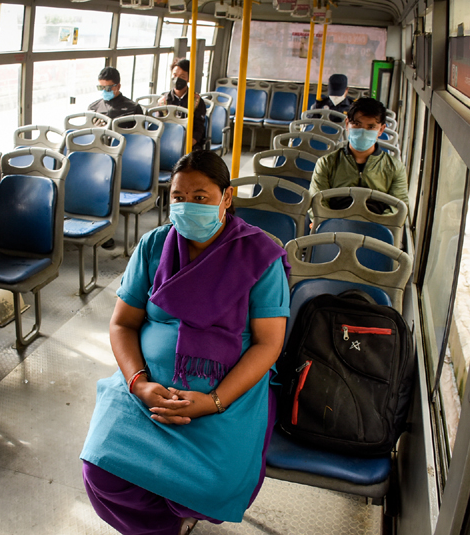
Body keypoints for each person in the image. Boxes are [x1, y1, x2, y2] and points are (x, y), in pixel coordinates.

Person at [81, 150, 290, 535]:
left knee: (208, 485)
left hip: (226, 394)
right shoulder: (154, 246)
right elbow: (123, 324)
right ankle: (161, 528)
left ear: (226, 198)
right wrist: (139, 384)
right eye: (178, 197)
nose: (187, 206)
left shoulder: (260, 257)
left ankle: (173, 515)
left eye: (201, 197)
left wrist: (213, 401)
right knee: (101, 467)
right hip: (149, 384)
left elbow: (267, 345)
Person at [309, 97, 409, 218]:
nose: (363, 132)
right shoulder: (327, 163)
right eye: (357, 124)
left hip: (376, 227)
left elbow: (398, 208)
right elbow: (318, 204)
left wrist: (379, 225)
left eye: (371, 127)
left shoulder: (395, 168)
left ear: (381, 129)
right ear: (347, 124)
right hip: (334, 226)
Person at [87, 66, 142, 249]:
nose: (105, 92)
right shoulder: (94, 108)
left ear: (118, 86)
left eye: (108, 88)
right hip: (99, 157)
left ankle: (107, 232)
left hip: (125, 158)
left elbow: (139, 140)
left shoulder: (132, 108)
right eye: (101, 88)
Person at [158, 58, 207, 150]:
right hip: (167, 143)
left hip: (189, 144)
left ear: (189, 78)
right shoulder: (163, 101)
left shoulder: (196, 101)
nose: (177, 79)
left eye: (182, 76)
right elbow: (159, 126)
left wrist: (187, 144)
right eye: (175, 75)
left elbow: (199, 128)